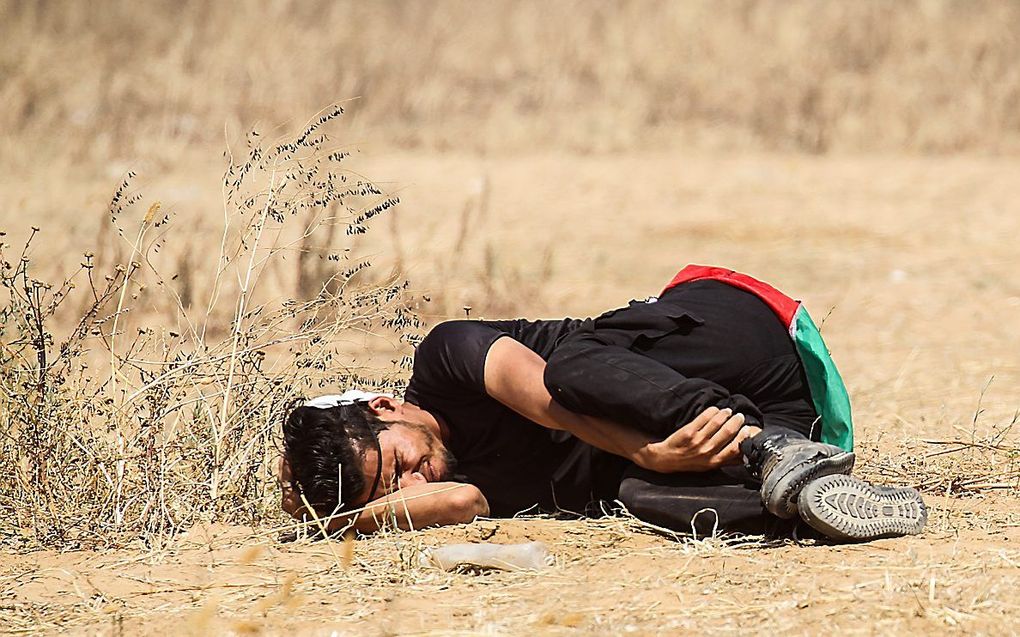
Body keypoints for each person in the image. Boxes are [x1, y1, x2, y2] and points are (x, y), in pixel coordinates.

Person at [279, 265, 927, 541]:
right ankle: (813, 498)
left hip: (724, 340)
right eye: (392, 489)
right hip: (769, 418)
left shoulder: (444, 359)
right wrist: (330, 521)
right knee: (643, 499)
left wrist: (651, 449)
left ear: (386, 404)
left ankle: (772, 454)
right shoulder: (459, 482)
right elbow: (459, 502)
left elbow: (546, 401)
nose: (419, 479)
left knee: (571, 368)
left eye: (402, 462)